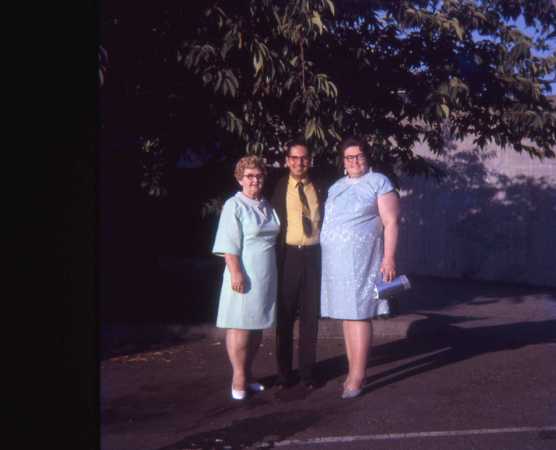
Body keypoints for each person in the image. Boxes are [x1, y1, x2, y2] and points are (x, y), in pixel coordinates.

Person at [320, 137, 400, 399]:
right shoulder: (336, 187)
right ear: (343, 161)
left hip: (363, 260)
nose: (354, 161)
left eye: (359, 156)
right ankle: (352, 369)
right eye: (349, 157)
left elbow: (391, 223)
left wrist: (389, 258)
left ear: (367, 157)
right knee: (346, 315)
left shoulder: (379, 182)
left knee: (359, 313)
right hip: (336, 262)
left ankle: (358, 375)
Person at [212, 155, 281, 400]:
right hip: (243, 273)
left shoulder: (266, 205)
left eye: (259, 175)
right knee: (240, 326)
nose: (254, 180)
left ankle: (249, 374)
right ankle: (238, 377)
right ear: (240, 178)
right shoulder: (235, 205)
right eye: (249, 176)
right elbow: (229, 244)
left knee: (256, 326)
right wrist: (236, 273)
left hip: (266, 276)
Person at [271, 139, 327, 389]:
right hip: (288, 256)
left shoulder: (321, 186)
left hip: (314, 256)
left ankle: (307, 374)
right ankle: (284, 374)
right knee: (284, 317)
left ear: (310, 160)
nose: (299, 162)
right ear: (287, 160)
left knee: (309, 318)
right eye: (294, 158)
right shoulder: (277, 186)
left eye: (303, 157)